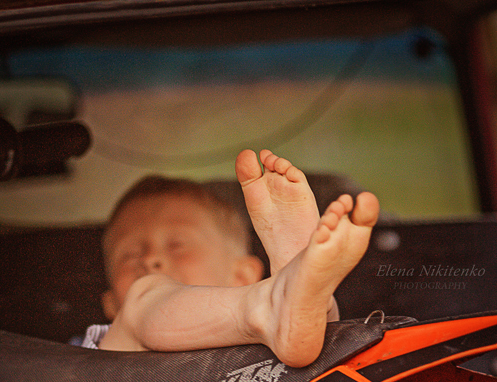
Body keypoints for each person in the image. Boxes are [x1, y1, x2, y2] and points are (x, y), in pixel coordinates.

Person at [85, 148, 379, 368]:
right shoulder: (95, 354)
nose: (151, 260)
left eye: (177, 245)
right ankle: (272, 303)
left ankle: (312, 304)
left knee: (302, 343)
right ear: (109, 304)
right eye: (130, 254)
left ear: (242, 276)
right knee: (142, 300)